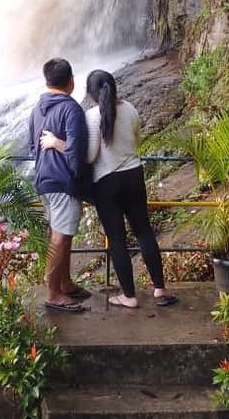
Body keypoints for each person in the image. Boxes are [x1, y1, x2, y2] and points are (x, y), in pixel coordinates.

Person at [41, 69, 177, 309]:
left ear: (90, 93)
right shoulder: (131, 109)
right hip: (134, 176)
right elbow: (135, 141)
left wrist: (57, 143)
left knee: (117, 239)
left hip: (107, 182)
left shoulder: (91, 116)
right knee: (144, 231)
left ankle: (129, 296)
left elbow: (90, 156)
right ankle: (160, 289)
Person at [28, 58, 91, 313]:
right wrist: (78, 177)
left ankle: (64, 282)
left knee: (61, 232)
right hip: (63, 180)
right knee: (61, 237)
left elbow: (32, 147)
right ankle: (53, 293)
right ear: (71, 82)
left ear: (47, 81)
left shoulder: (36, 110)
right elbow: (76, 153)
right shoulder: (71, 109)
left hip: (43, 178)